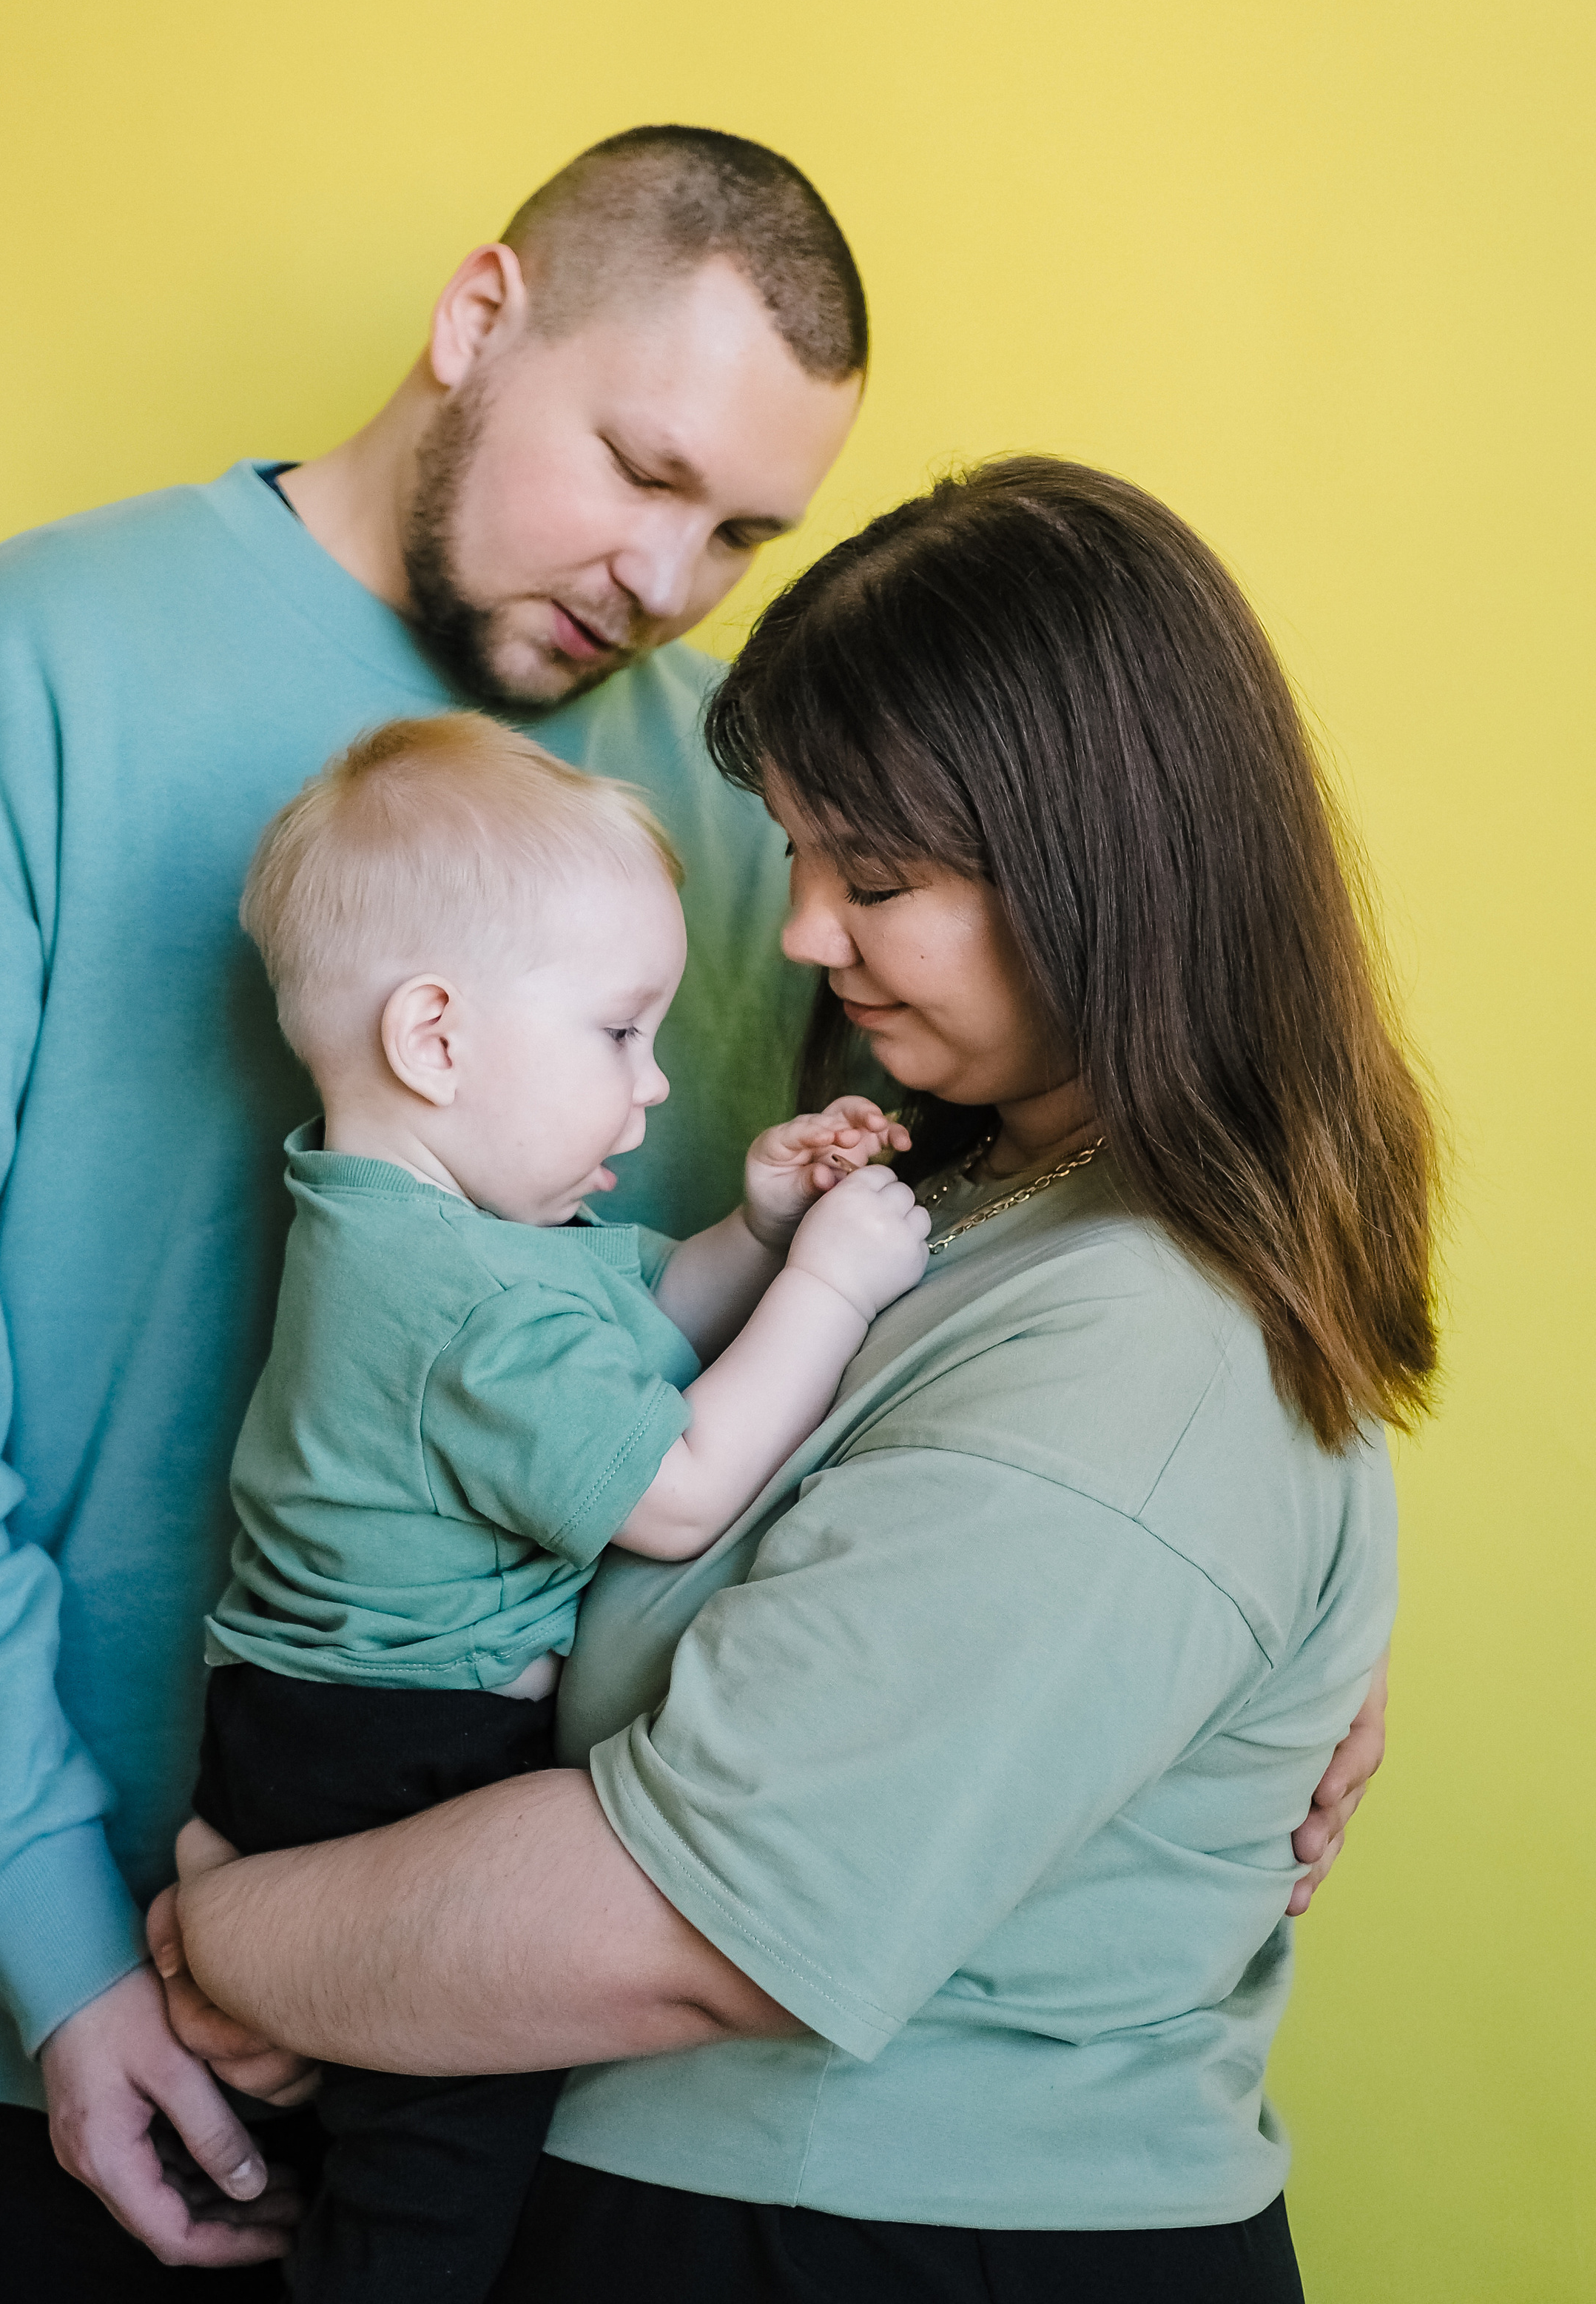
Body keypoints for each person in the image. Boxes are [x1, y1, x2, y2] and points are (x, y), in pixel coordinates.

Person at [0, 125, 871, 2297]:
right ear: (475, 319)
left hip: (557, 2003)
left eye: (740, 528)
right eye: (637, 467)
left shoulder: (738, 794)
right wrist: (60, 1953)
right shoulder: (22, 673)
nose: (668, 571)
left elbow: (999, 1160)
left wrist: (1294, 1596)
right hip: (88, 2009)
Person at [151, 456, 1433, 2303]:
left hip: (876, 2237)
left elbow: (705, 1924)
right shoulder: (979, 1183)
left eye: (877, 878)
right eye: (802, 857)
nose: (805, 935)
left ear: (1100, 866)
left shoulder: (1151, 1346)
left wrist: (240, 1933)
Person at [193, 711, 928, 2299]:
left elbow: (636, 1339)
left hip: (328, 1729)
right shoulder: (457, 1298)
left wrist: (752, 1229)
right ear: (437, 1040)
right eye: (616, 1035)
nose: (651, 1088)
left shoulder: (426, 1236)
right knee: (438, 2169)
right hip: (389, 1754)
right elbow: (667, 1487)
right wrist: (833, 1281)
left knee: (403, 2143)